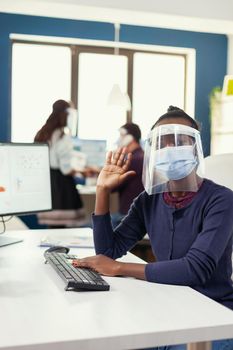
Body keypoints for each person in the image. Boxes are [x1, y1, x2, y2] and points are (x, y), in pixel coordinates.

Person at [73, 106, 233, 350]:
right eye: (162, 143)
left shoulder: (221, 200)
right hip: (166, 307)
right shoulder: (148, 200)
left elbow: (195, 269)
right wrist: (102, 191)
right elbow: (108, 250)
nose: (170, 149)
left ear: (196, 149)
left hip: (213, 315)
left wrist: (119, 268)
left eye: (180, 141)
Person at [34, 99, 86, 227]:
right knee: (64, 230)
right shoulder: (63, 137)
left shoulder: (42, 134)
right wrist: (83, 171)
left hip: (47, 183)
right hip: (62, 186)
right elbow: (66, 169)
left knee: (51, 227)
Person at [111, 123, 144, 227]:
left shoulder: (133, 159)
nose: (118, 139)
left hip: (127, 214)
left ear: (129, 138)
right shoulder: (141, 156)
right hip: (135, 212)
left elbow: (112, 187)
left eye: (121, 135)